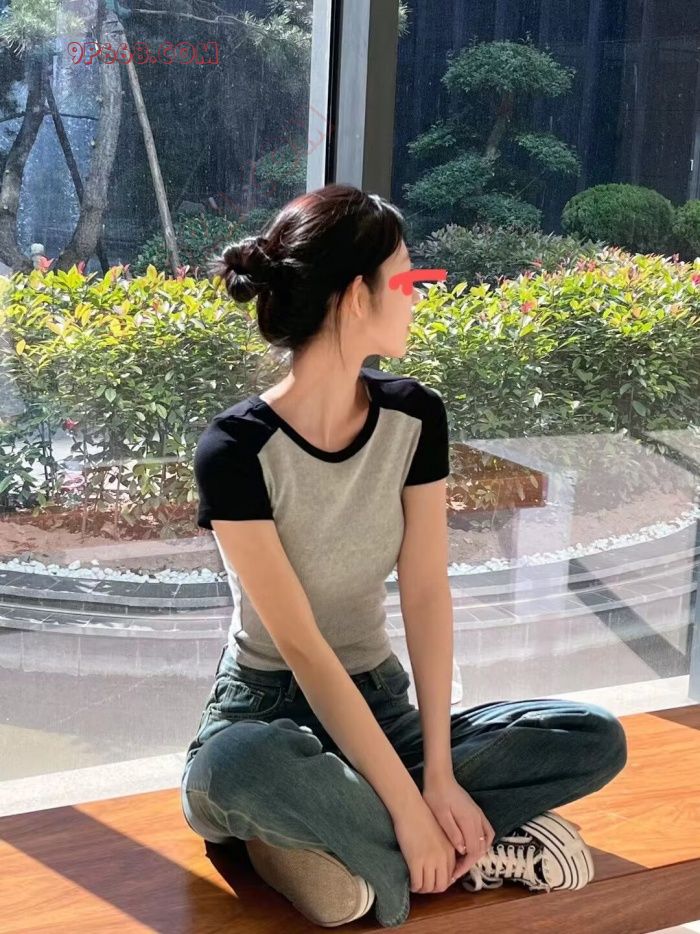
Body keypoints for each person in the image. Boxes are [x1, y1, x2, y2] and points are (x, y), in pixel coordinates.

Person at [179, 183, 628, 928]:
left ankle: (329, 847)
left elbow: (424, 593)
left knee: (590, 736)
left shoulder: (414, 416)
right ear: (357, 297)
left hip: (382, 707)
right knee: (233, 770)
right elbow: (304, 649)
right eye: (406, 279)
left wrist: (441, 779)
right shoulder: (235, 450)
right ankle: (459, 850)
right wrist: (412, 809)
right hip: (263, 709)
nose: (417, 296)